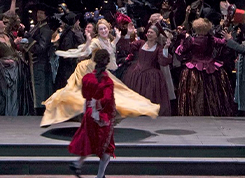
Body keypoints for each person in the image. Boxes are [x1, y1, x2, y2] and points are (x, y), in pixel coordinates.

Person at [43, 18, 159, 127]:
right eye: (101, 29)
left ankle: (100, 119)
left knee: (117, 93)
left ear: (108, 29)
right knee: (75, 95)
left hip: (101, 70)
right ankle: (57, 112)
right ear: (97, 31)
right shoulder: (95, 41)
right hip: (89, 70)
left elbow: (111, 53)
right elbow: (87, 51)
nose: (103, 30)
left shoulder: (109, 40)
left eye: (105, 28)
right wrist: (88, 41)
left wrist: (118, 38)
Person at [68, 49, 116, 178]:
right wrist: (99, 106)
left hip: (89, 112)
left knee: (89, 140)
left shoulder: (87, 78)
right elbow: (107, 99)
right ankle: (100, 175)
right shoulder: (107, 81)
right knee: (107, 146)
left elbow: (84, 95)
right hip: (101, 115)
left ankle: (78, 163)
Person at [174, 18, 235, 116]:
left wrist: (182, 39)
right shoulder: (212, 39)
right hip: (210, 67)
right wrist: (229, 38)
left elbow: (180, 51)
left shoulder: (192, 40)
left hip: (194, 68)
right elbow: (223, 42)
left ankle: (195, 111)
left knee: (195, 91)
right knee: (212, 91)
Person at [0, 11, 35, 116]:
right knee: (10, 93)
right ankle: (10, 113)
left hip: (16, 68)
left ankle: (17, 112)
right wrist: (5, 61)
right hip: (7, 71)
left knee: (17, 92)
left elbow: (11, 19)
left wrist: (13, 1)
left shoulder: (6, 35)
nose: (3, 22)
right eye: (0, 21)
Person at [122, 24, 174, 116]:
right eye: (148, 32)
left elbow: (163, 61)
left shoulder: (158, 48)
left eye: (151, 32)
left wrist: (166, 48)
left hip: (151, 77)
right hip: (136, 74)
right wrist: (128, 34)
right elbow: (127, 48)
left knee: (149, 95)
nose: (149, 34)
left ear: (156, 35)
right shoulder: (141, 43)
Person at [25, 3, 56, 115]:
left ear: (46, 15)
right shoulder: (38, 27)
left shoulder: (46, 30)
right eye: (38, 12)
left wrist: (29, 41)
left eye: (42, 13)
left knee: (41, 87)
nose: (39, 14)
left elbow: (41, 48)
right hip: (35, 63)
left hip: (40, 63)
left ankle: (40, 109)